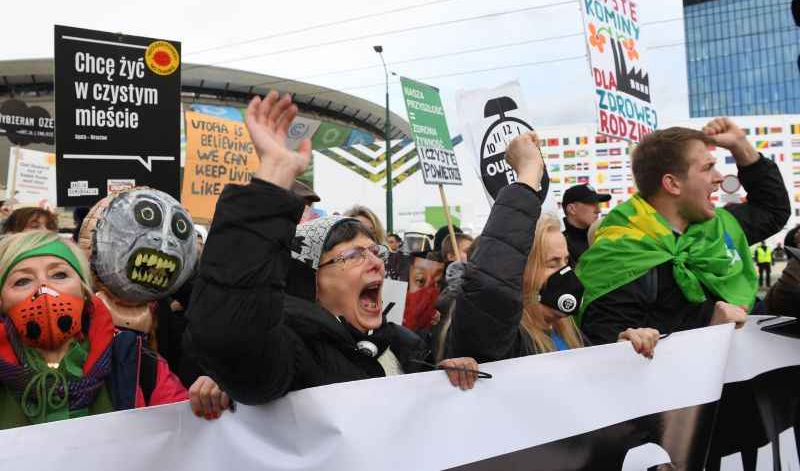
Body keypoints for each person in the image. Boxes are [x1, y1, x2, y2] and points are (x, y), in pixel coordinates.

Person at [185, 91, 482, 406]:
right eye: (353, 255)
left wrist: (445, 378)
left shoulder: (406, 348)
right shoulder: (294, 355)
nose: (376, 263)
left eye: (374, 251)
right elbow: (233, 332)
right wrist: (273, 174)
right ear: (311, 279)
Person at [443, 132, 659, 362]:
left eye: (566, 261)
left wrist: (619, 351)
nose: (565, 272)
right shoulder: (503, 339)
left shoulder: (567, 331)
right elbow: (492, 285)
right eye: (552, 263)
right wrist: (528, 171)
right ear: (519, 270)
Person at [578, 118, 790, 346]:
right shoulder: (621, 255)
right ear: (673, 184)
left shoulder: (718, 226)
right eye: (708, 168)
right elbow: (611, 358)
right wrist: (713, 334)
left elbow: (772, 209)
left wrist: (740, 145)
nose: (719, 177)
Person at [0, 231, 189, 428]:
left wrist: (212, 397)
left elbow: (185, 430)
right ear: (2, 300)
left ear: (83, 290)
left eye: (59, 274)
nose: (44, 288)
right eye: (22, 281)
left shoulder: (134, 361)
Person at [561, 184, 611, 264]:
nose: (598, 210)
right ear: (571, 209)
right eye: (591, 203)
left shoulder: (603, 237)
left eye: (598, 204)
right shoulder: (557, 242)